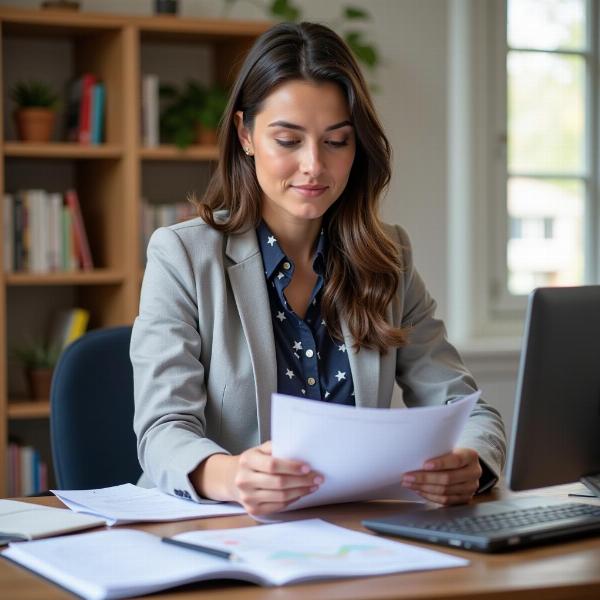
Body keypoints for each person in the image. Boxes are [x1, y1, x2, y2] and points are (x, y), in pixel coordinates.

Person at [131, 21, 506, 516]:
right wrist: (231, 475)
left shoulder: (389, 258)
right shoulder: (181, 255)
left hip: (355, 534)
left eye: (336, 141)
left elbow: (467, 407)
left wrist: (472, 463)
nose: (314, 165)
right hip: (219, 529)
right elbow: (162, 431)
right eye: (288, 140)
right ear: (246, 134)